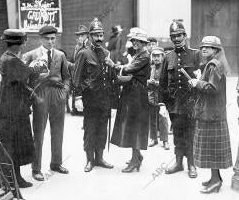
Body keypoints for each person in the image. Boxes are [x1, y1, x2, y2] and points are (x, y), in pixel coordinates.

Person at [0, 29, 46, 188]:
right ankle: (12, 180)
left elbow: (22, 76)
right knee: (13, 145)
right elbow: (26, 73)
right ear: (18, 44)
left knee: (14, 145)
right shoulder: (11, 60)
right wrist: (38, 67)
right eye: (23, 42)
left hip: (12, 108)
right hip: (12, 110)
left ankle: (15, 178)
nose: (25, 44)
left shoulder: (8, 57)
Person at [23, 25, 70, 181]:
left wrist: (64, 92)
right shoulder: (30, 55)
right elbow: (24, 80)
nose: (50, 42)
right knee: (39, 132)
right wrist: (33, 95)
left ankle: (56, 163)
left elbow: (66, 77)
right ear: (40, 38)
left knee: (58, 130)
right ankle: (36, 168)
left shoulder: (60, 55)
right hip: (40, 94)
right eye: (47, 39)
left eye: (53, 39)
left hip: (57, 94)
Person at [188, 36, 232, 193]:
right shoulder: (212, 65)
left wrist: (197, 83)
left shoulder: (214, 66)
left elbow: (213, 89)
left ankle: (216, 181)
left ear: (216, 50)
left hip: (212, 115)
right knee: (212, 149)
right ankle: (216, 178)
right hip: (212, 113)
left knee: (212, 150)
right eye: (202, 47)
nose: (204, 49)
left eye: (208, 47)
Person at [160, 20, 201, 178]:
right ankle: (178, 162)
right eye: (173, 36)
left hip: (190, 103)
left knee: (190, 133)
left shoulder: (195, 54)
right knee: (177, 132)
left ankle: (191, 163)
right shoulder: (168, 57)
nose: (176, 39)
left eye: (179, 35)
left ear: (185, 35)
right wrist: (163, 104)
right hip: (174, 103)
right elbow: (163, 82)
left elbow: (200, 79)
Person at [73, 18, 114, 172]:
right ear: (89, 36)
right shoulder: (83, 53)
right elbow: (76, 76)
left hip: (104, 99)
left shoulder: (106, 53)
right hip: (90, 98)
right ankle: (90, 160)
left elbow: (109, 75)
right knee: (90, 128)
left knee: (102, 128)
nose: (99, 38)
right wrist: (77, 97)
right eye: (95, 35)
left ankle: (100, 158)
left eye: (101, 35)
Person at [108, 28, 151, 173]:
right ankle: (137, 156)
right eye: (133, 40)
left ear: (143, 42)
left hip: (137, 93)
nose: (135, 43)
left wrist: (114, 65)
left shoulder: (144, 56)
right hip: (132, 91)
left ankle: (134, 161)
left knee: (134, 125)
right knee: (131, 123)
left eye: (138, 41)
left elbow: (129, 69)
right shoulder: (139, 54)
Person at [147, 46, 170, 150]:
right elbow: (144, 80)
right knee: (152, 118)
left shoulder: (166, 68)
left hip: (162, 97)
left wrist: (157, 83)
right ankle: (153, 138)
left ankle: (165, 140)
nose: (156, 58)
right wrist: (148, 82)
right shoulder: (150, 68)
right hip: (151, 96)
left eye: (158, 56)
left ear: (163, 56)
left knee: (163, 118)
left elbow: (168, 83)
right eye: (154, 56)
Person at [68, 25, 89, 115]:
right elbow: (76, 60)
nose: (80, 37)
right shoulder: (78, 46)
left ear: (87, 35)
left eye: (82, 35)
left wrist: (68, 64)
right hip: (78, 75)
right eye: (79, 35)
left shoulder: (89, 46)